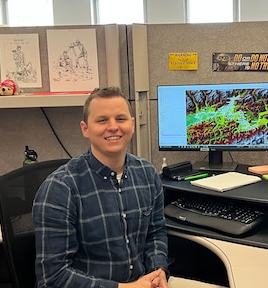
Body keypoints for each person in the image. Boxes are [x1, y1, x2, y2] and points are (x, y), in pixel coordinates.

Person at [33, 86, 169, 288]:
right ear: (85, 128)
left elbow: (155, 234)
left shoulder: (147, 174)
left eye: (121, 119)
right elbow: (53, 277)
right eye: (102, 120)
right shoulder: (60, 188)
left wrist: (158, 272)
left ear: (132, 125)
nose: (113, 127)